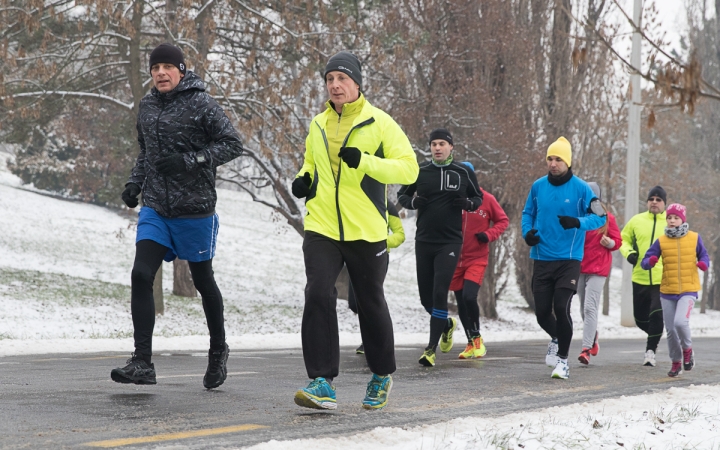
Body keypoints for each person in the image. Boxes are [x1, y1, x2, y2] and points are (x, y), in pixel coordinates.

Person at [290, 51, 419, 411]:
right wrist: (304, 179)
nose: (335, 85)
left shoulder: (380, 123)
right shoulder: (318, 124)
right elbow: (312, 163)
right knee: (317, 292)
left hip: (366, 229)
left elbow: (409, 170)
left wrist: (366, 162)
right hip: (323, 225)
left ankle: (381, 375)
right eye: (330, 79)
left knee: (369, 301)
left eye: (342, 78)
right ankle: (321, 381)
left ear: (358, 83)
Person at [111, 43, 244, 389]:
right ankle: (142, 362)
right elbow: (146, 152)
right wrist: (134, 183)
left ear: (181, 70)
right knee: (141, 274)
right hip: (156, 207)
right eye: (155, 69)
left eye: (168, 67)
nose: (160, 73)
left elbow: (232, 143)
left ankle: (218, 350)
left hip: (194, 210)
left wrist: (191, 160)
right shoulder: (148, 105)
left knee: (203, 282)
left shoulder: (201, 102)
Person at [398, 129, 483, 367]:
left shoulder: (463, 171)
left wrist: (467, 203)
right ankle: (446, 324)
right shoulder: (420, 171)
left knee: (439, 293)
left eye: (442, 144)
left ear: (451, 147)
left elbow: (477, 199)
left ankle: (430, 350)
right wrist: (413, 202)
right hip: (424, 240)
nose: (437, 147)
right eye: (434, 144)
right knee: (426, 299)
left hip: (450, 242)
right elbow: (402, 196)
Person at [521, 137, 605, 379]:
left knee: (561, 306)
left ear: (567, 161)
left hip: (568, 260)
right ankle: (557, 338)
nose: (553, 163)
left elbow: (601, 217)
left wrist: (578, 222)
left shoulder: (582, 189)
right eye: (550, 159)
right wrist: (528, 233)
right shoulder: (538, 186)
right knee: (542, 313)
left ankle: (562, 362)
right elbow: (528, 213)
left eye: (558, 159)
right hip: (542, 257)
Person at [641, 203, 709, 377]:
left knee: (680, 322)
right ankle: (676, 362)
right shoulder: (662, 240)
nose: (672, 221)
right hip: (667, 290)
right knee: (671, 330)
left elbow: (704, 255)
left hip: (688, 289)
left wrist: (703, 264)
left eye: (676, 218)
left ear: (682, 219)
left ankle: (687, 349)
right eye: (669, 217)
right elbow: (646, 259)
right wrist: (650, 261)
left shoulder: (694, 238)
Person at [449, 162, 509, 360]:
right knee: (460, 302)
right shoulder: (452, 199)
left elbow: (503, 221)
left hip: (477, 258)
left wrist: (488, 234)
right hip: (455, 259)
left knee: (469, 297)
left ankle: (477, 339)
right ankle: (469, 342)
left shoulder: (486, 199)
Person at [619, 186, 667, 367]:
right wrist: (629, 253)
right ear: (647, 202)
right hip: (639, 275)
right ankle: (657, 334)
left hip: (662, 278)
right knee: (639, 318)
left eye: (658, 199)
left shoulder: (669, 223)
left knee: (656, 313)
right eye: (651, 199)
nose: (654, 202)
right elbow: (622, 239)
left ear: (664, 203)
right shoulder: (636, 220)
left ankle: (650, 351)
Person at [349, 202, 406, 355]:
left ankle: (371, 343)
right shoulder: (354, 198)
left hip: (377, 256)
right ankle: (370, 339)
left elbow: (400, 235)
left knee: (370, 300)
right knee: (354, 303)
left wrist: (380, 242)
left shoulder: (388, 205)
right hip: (354, 254)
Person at [576, 182, 621, 365]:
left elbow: (618, 241)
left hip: (598, 269)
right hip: (579, 268)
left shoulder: (607, 218)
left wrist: (609, 243)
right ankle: (593, 337)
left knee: (589, 307)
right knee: (582, 309)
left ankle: (586, 349)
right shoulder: (578, 217)